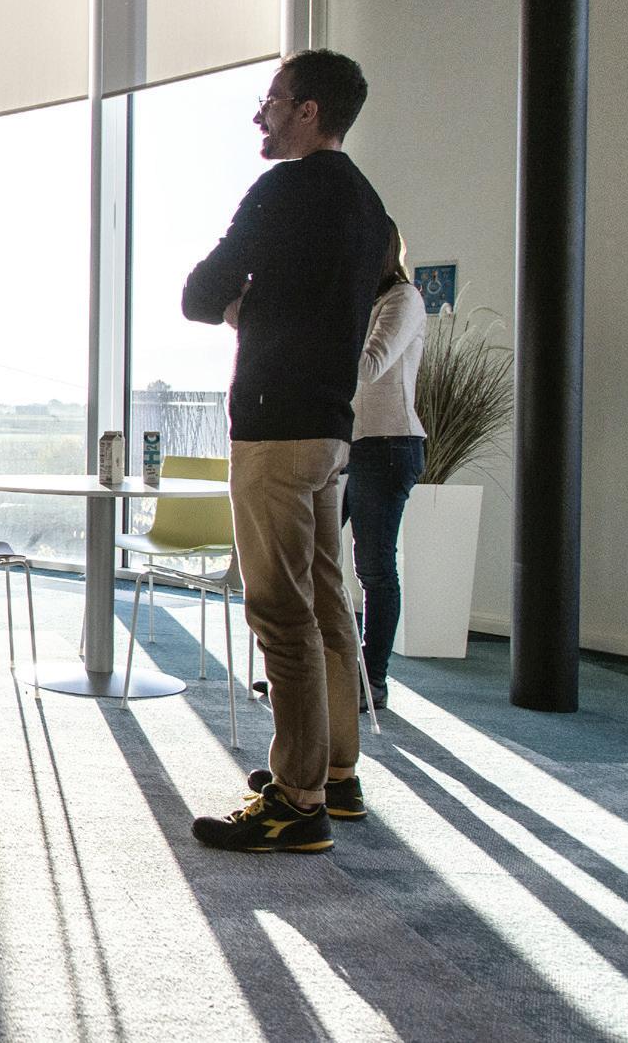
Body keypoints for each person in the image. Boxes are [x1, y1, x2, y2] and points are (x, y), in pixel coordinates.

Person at [182, 49, 391, 854]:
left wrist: (245, 306)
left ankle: (296, 801)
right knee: (328, 604)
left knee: (280, 612)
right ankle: (335, 772)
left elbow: (199, 294)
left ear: (307, 110)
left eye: (270, 101)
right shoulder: (369, 208)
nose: (259, 115)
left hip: (273, 429)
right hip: (330, 432)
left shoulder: (280, 191)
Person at [343, 222, 427, 711]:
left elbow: (369, 366)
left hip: (389, 444)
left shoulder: (404, 299)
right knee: (307, 558)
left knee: (373, 569)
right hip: (347, 445)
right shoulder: (363, 302)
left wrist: (335, 321)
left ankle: (372, 681)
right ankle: (312, 671)